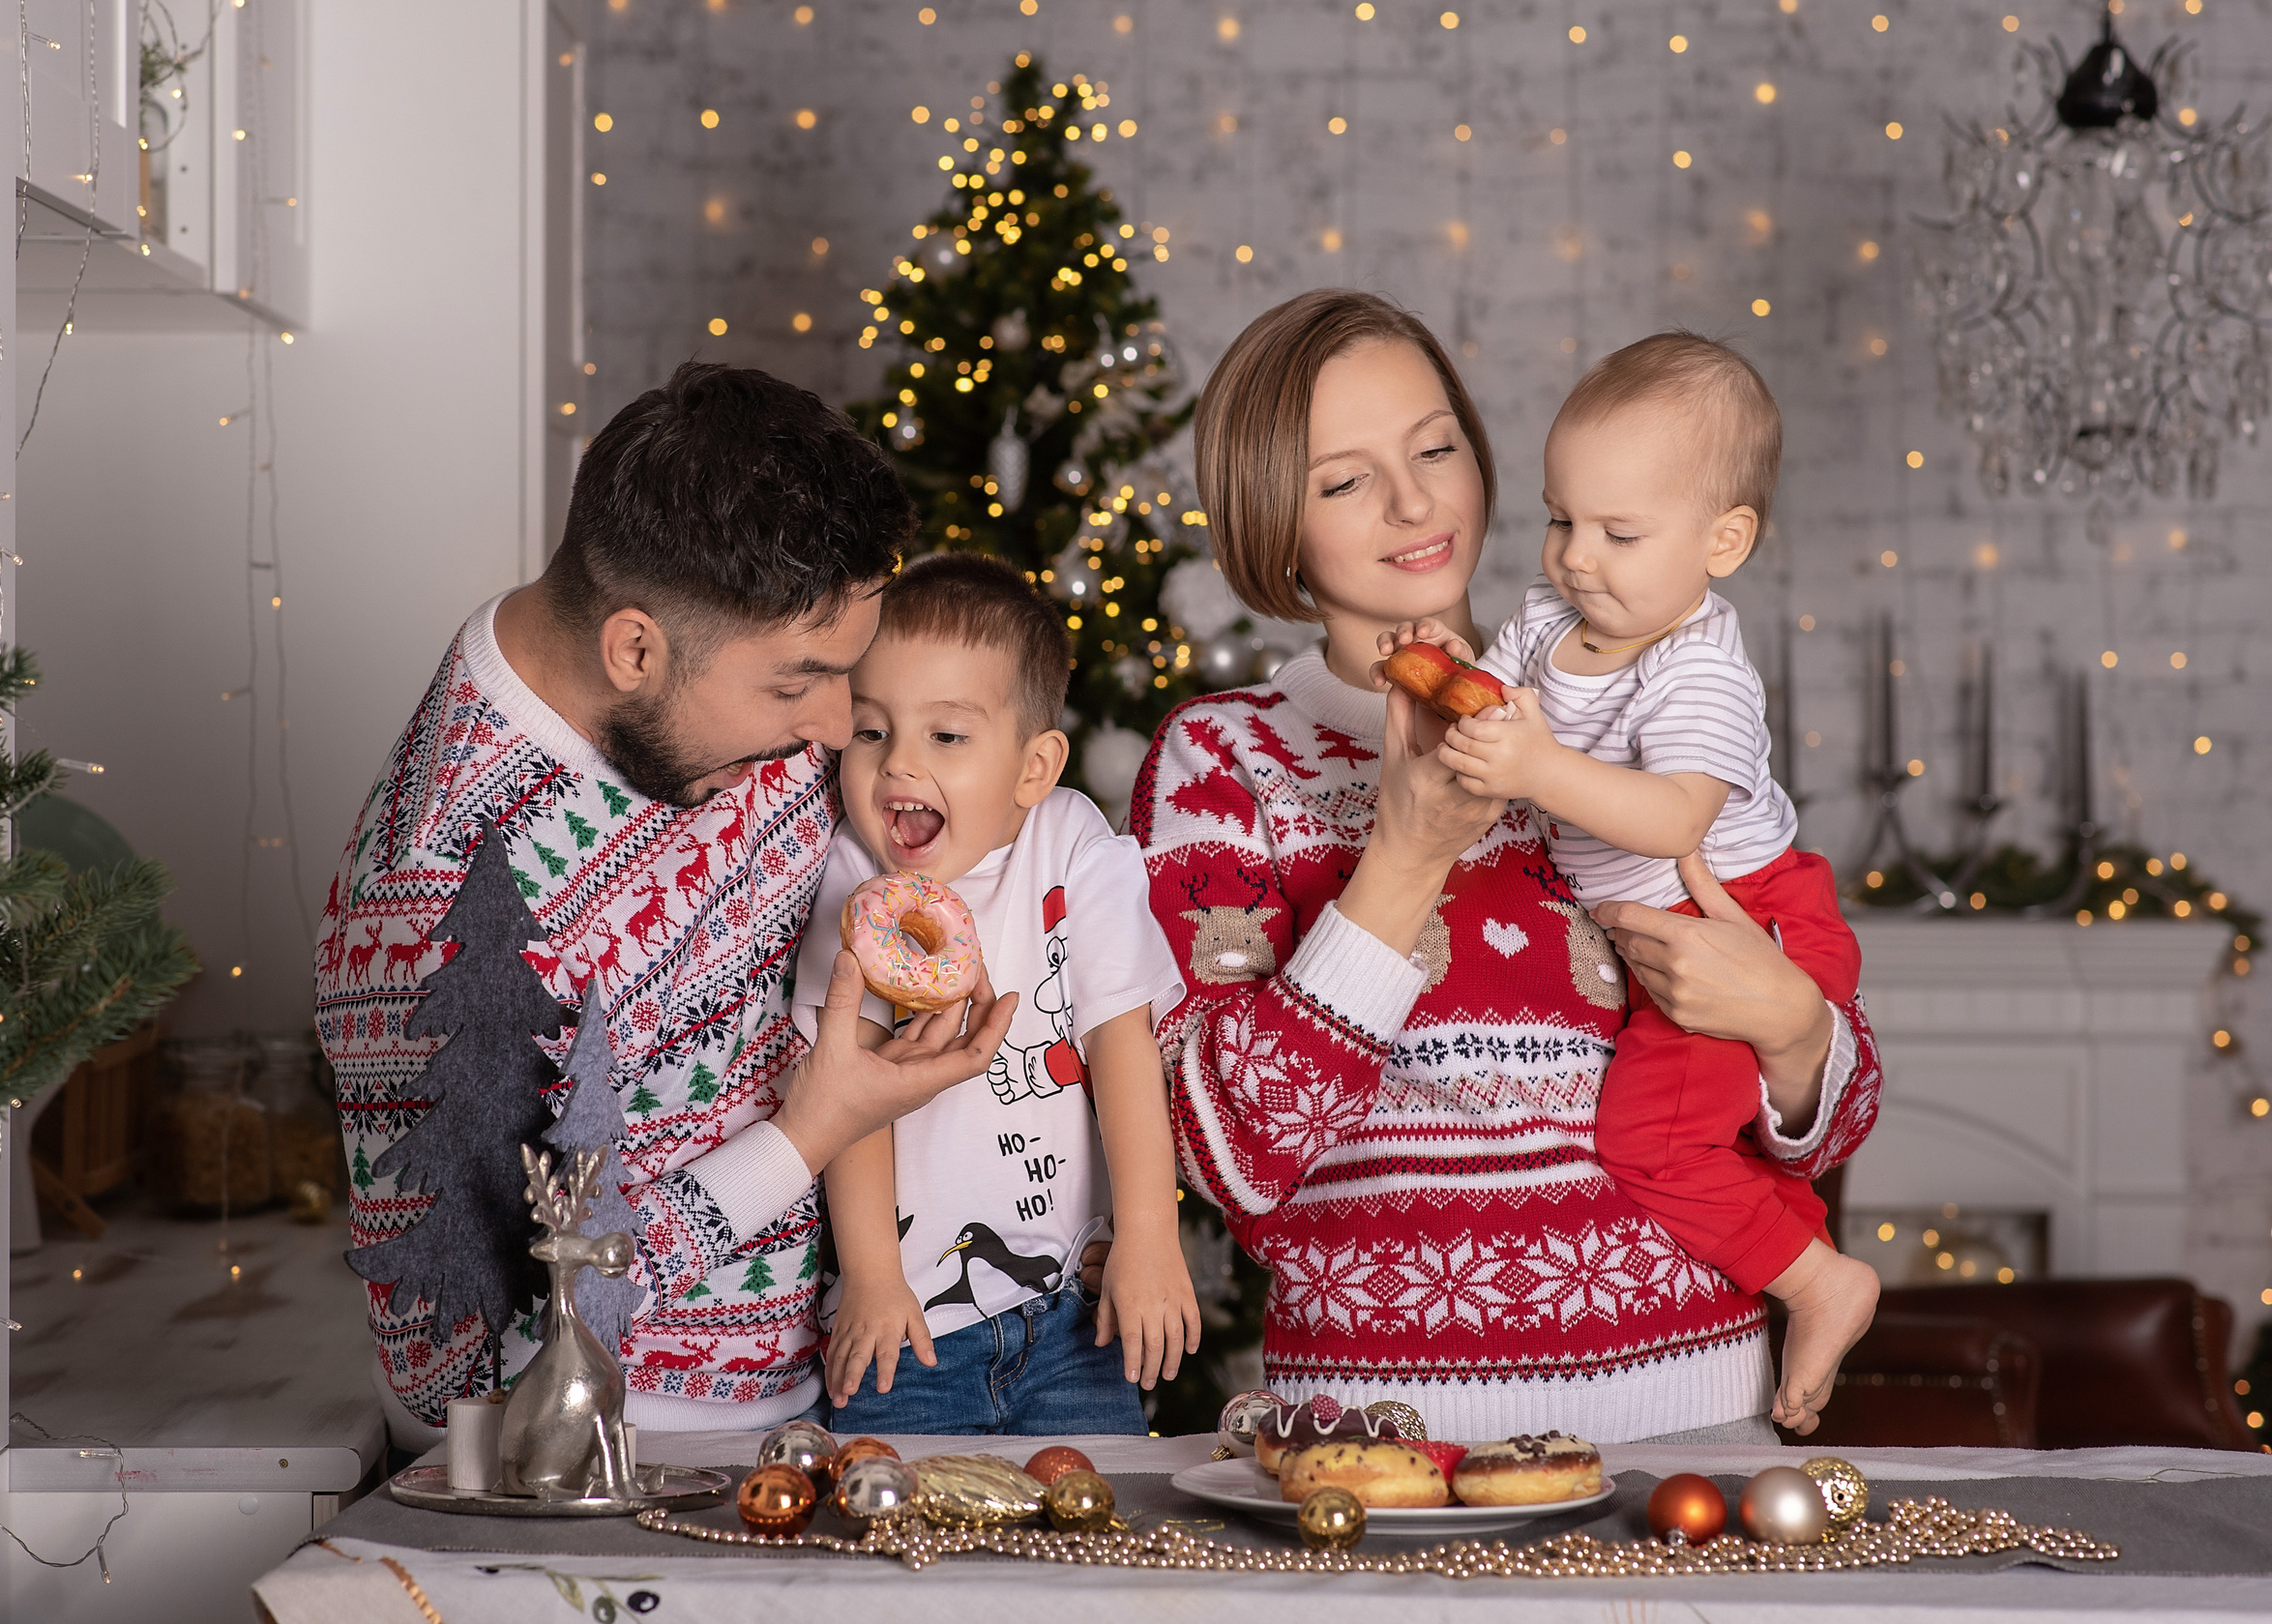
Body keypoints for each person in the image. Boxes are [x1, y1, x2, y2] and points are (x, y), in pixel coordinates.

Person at [1137, 289, 1882, 1445]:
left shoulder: (1614, 709)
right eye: (1344, 480)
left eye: (1435, 448)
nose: (1413, 502)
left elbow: (1829, 1123)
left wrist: (1792, 1028)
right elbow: (1224, 1149)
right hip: (1388, 1435)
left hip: (1695, 1417)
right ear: (1269, 521)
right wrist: (1404, 855)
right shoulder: (1225, 760)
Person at [317, 363, 1017, 1448]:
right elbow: (458, 1362)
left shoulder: (736, 692)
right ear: (634, 648)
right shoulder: (429, 900)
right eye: (797, 682)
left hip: (833, 1400)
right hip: (605, 1453)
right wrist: (808, 1132)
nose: (840, 728)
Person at [1388, 332, 1879, 1432]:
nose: (1576, 557)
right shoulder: (1547, 619)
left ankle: (1815, 1277)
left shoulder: (1697, 666)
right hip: (1657, 929)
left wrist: (1535, 768)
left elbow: (1673, 818)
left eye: (1619, 533)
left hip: (1746, 920)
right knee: (1690, 1128)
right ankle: (1799, 1255)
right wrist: (1442, 671)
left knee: (1653, 1141)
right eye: (1561, 519)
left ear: (1723, 541)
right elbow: (1487, 706)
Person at [789, 554, 1195, 1434]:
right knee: (898, 1514)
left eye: (946, 736)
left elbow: (1122, 1043)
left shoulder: (1070, 842)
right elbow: (847, 1090)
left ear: (1032, 766)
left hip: (1072, 1319)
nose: (899, 762)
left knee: (1092, 1513)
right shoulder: (853, 872)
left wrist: (1149, 1236)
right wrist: (872, 1276)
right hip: (907, 1329)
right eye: (871, 730)